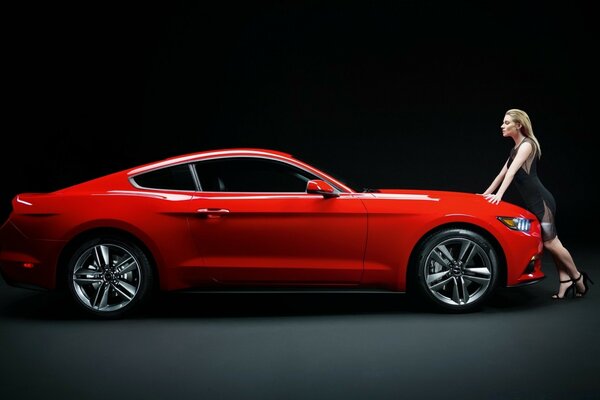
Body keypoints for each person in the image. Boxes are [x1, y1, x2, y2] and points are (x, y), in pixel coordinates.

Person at [482, 108, 593, 299]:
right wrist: (484, 195)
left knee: (550, 243)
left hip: (542, 202)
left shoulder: (527, 145)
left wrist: (499, 195)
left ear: (519, 125)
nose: (502, 125)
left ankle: (577, 277)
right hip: (534, 202)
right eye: (503, 122)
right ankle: (565, 280)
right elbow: (501, 174)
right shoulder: (515, 149)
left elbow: (511, 173)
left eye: (507, 122)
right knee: (551, 242)